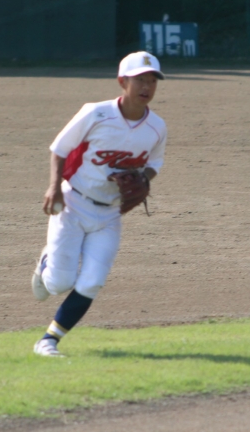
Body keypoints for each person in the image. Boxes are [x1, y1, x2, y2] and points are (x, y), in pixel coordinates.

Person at [31, 51, 168, 357]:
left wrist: (143, 179)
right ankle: (45, 264)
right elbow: (59, 149)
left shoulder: (157, 127)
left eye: (152, 80)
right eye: (140, 80)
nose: (147, 86)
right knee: (58, 284)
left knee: (92, 282)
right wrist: (54, 187)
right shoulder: (96, 113)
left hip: (110, 214)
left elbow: (154, 164)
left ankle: (48, 340)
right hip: (73, 203)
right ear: (122, 82)